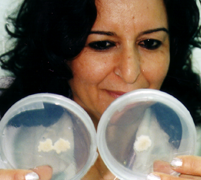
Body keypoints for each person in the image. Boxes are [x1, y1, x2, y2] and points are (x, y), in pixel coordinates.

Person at [0, 0, 201, 179]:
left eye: (150, 43)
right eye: (102, 44)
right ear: (60, 50)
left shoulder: (196, 148)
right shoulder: (8, 146)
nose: (130, 73)